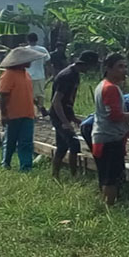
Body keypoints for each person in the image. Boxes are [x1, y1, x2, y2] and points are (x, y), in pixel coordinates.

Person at [91, 53, 129, 204]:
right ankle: (109, 207)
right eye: (120, 66)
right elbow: (115, 116)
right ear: (109, 69)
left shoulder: (105, 86)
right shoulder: (110, 88)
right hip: (109, 139)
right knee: (111, 179)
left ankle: (106, 204)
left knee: (107, 177)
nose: (124, 70)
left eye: (125, 66)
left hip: (103, 137)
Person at [49, 50, 99, 180]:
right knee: (74, 143)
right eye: (91, 66)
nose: (91, 69)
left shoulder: (75, 74)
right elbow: (56, 101)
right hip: (58, 115)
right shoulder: (67, 76)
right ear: (86, 64)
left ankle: (55, 175)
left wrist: (73, 118)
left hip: (64, 114)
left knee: (62, 146)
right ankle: (74, 176)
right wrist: (65, 121)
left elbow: (68, 100)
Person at [0, 46, 40, 172]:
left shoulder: (26, 75)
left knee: (26, 142)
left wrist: (37, 106)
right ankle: (5, 163)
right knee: (10, 141)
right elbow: (3, 95)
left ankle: (26, 167)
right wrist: (4, 114)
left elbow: (28, 94)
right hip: (13, 114)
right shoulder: (8, 75)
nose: (30, 62)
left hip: (27, 113)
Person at [25, 33, 50, 117]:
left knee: (29, 95)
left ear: (28, 40)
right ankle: (41, 109)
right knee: (40, 95)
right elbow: (47, 61)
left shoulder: (25, 50)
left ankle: (33, 111)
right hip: (40, 75)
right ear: (37, 40)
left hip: (28, 76)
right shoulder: (42, 49)